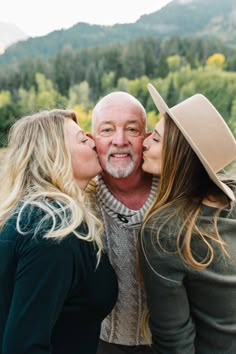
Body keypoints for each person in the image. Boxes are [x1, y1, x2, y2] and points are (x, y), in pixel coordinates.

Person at [0, 109, 118, 354]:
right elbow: (24, 346)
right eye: (82, 140)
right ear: (55, 154)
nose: (93, 142)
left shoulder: (38, 216)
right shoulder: (51, 232)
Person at [140, 83, 236, 353]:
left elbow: (174, 340)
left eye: (156, 139)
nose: (144, 142)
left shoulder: (164, 231)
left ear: (181, 154)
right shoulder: (229, 200)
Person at [90, 91, 158, 354]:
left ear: (147, 137)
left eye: (132, 129)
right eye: (107, 130)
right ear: (92, 139)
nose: (120, 141)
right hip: (100, 344)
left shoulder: (173, 192)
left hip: (174, 344)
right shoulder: (80, 201)